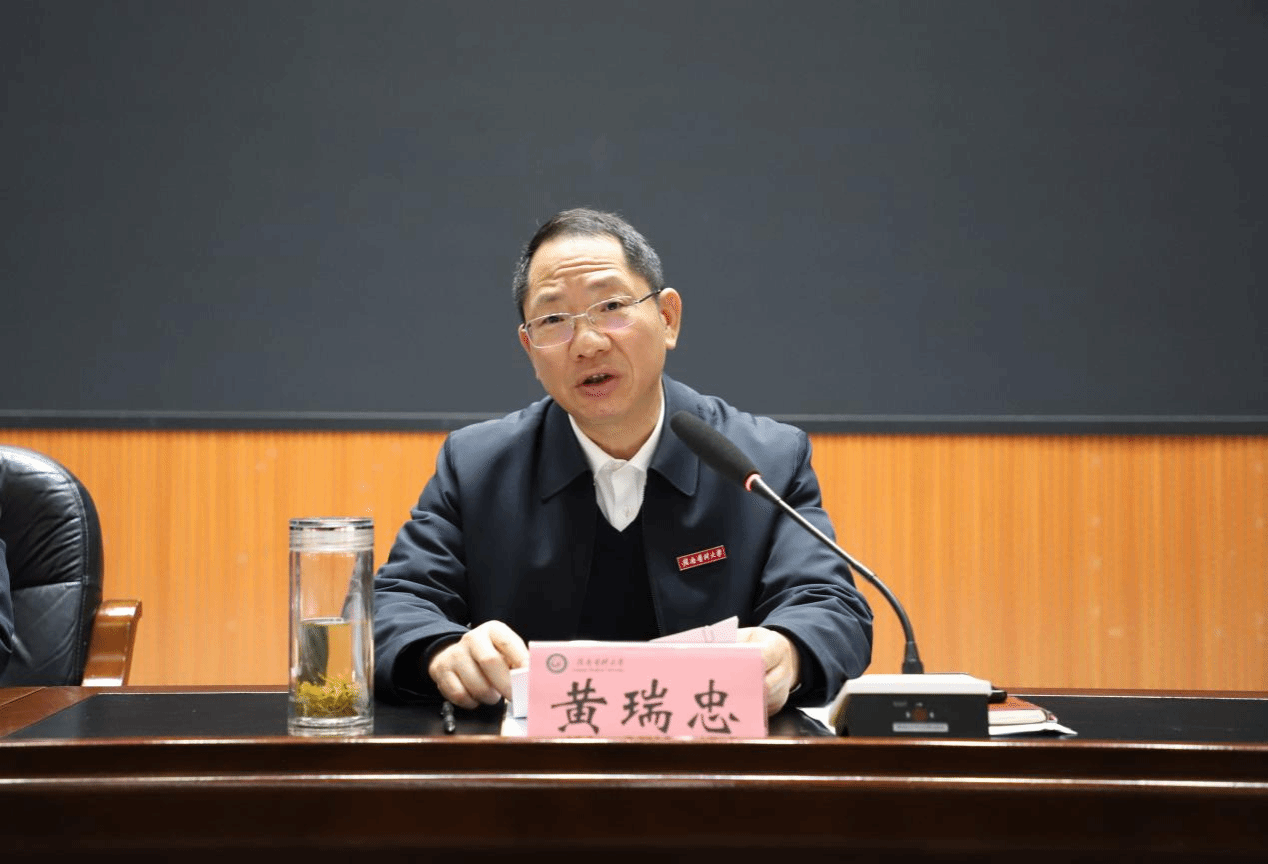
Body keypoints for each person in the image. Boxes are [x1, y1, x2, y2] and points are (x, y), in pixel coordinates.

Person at [373, 208, 872, 715]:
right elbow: (396, 604)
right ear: (530, 348)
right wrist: (441, 652)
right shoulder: (478, 466)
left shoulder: (762, 461)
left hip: (715, 757)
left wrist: (788, 649)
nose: (588, 344)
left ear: (667, 318)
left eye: (611, 306)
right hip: (533, 759)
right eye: (553, 320)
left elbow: (831, 606)